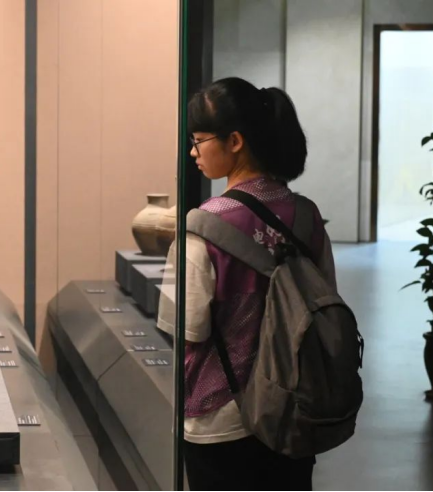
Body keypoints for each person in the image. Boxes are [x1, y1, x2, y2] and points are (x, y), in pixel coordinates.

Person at [157, 77, 337, 491]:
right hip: (294, 414)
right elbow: (326, 302)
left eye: (198, 140)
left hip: (221, 418)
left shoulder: (202, 226)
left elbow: (187, 328)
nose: (193, 151)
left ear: (235, 141)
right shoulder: (307, 217)